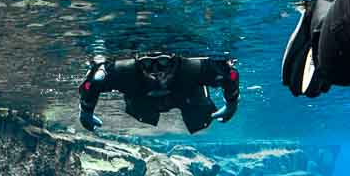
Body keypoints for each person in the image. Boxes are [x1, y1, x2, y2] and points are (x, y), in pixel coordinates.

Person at [78, 53, 239, 133]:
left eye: (163, 62)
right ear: (138, 63)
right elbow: (93, 82)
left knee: (200, 118)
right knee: (140, 109)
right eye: (147, 64)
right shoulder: (125, 71)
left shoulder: (193, 68)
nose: (155, 71)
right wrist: (86, 110)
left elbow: (228, 74)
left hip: (188, 92)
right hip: (142, 96)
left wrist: (231, 103)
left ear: (175, 61)